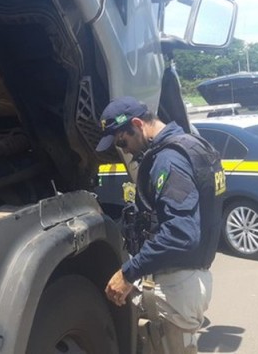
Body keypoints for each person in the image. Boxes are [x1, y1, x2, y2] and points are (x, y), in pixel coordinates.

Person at [96, 96, 224, 354]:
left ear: (137, 124)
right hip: (187, 277)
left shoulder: (169, 160)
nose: (125, 149)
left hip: (179, 284)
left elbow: (180, 234)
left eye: (123, 141)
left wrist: (128, 273)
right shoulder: (193, 144)